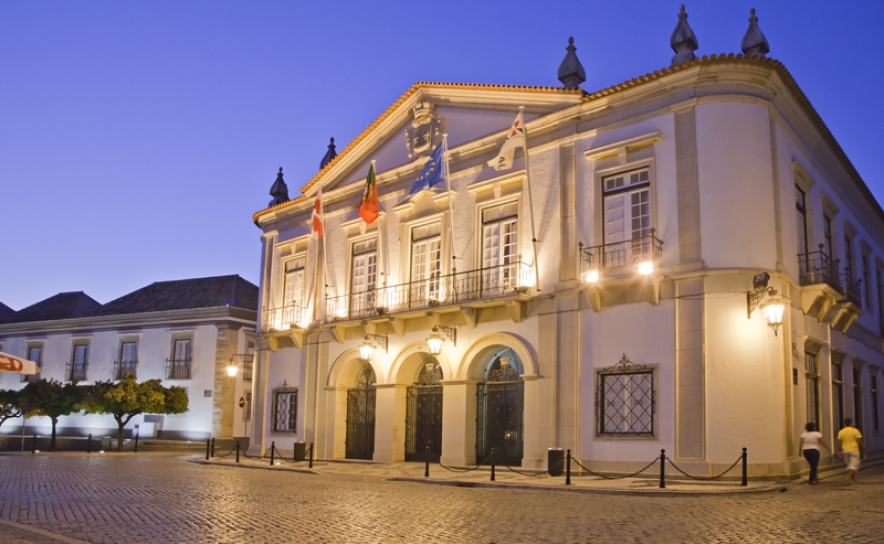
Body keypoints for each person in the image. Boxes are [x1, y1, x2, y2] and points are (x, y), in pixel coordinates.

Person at [836, 417, 865, 484]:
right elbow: (859, 441)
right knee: (854, 465)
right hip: (854, 450)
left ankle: (853, 480)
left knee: (850, 465)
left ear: (845, 424)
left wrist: (839, 451)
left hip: (845, 450)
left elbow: (839, 442)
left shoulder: (841, 432)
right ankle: (848, 476)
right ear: (851, 423)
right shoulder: (855, 431)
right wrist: (863, 448)